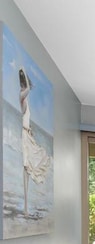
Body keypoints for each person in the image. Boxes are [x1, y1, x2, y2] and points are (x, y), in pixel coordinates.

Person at [19, 68, 51, 217]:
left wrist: (30, 129)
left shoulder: (26, 102)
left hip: (28, 135)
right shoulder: (22, 97)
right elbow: (27, 91)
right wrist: (24, 73)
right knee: (27, 168)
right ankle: (25, 207)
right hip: (25, 137)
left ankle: (26, 207)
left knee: (30, 168)